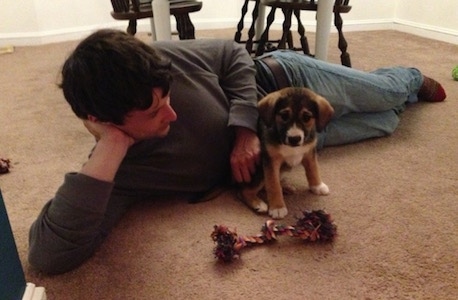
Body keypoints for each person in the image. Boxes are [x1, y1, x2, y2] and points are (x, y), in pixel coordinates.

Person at [28, 29, 446, 274]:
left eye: (168, 96)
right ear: (102, 119)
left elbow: (233, 54)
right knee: (385, 123)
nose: (172, 112)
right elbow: (49, 255)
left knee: (385, 94)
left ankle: (407, 78)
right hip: (281, 149)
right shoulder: (117, 170)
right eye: (155, 112)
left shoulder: (157, 62)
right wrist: (114, 143)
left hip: (281, 82)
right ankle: (399, 104)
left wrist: (244, 127)